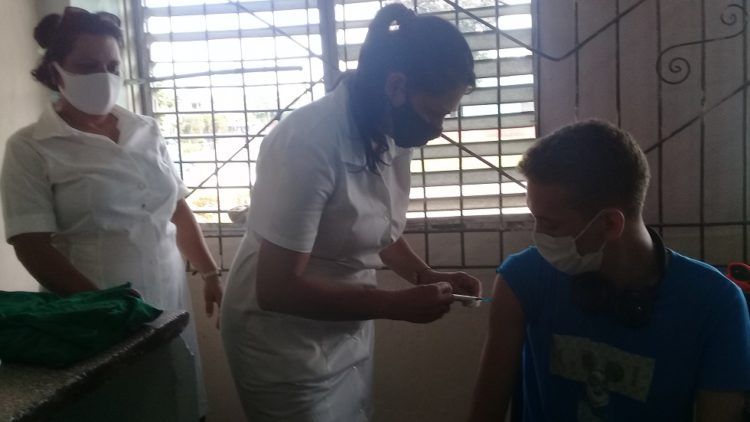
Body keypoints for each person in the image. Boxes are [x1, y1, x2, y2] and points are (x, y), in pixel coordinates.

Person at [220, 4, 481, 421]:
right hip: (283, 345)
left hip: (344, 328)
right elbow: (277, 289)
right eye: (434, 113)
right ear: (396, 85)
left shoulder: (390, 127)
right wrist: (395, 305)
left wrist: (426, 277)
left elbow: (377, 228)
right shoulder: (308, 142)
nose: (438, 128)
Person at [1, 7, 222, 418]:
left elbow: (174, 205)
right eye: (87, 67)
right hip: (94, 316)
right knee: (120, 407)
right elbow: (31, 246)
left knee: (179, 400)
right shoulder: (31, 147)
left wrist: (209, 271)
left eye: (112, 66)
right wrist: (109, 309)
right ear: (55, 72)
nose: (103, 77)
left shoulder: (145, 130)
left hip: (167, 301)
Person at [469, 120, 750, 422]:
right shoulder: (522, 278)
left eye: (550, 225)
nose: (538, 236)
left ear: (610, 224)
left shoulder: (716, 303)